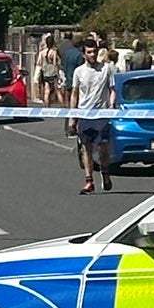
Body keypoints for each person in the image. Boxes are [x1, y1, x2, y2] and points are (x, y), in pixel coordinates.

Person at [70, 43, 116, 195]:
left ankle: (105, 173)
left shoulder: (106, 69)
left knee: (103, 149)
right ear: (84, 54)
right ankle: (89, 181)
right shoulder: (79, 72)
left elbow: (112, 90)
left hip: (102, 117)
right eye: (89, 52)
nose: (92, 55)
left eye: (94, 52)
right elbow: (75, 94)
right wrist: (73, 116)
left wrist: (111, 106)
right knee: (87, 149)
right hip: (85, 116)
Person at [33, 34, 64, 110]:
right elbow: (55, 63)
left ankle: (46, 106)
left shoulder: (42, 52)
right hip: (52, 72)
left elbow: (39, 62)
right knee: (57, 90)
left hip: (45, 72)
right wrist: (58, 74)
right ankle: (62, 106)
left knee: (47, 90)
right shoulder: (54, 51)